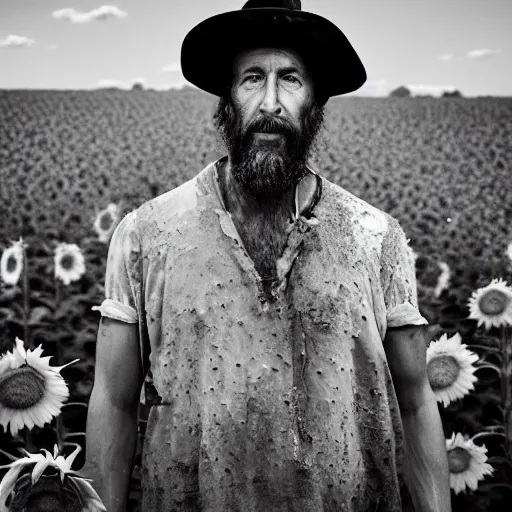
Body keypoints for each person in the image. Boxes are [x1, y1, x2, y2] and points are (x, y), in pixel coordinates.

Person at [83, 1, 451, 511]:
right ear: (227, 100)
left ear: (316, 102)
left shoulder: (376, 238)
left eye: (291, 79)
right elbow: (115, 403)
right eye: (253, 78)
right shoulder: (147, 235)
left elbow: (414, 403)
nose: (271, 102)